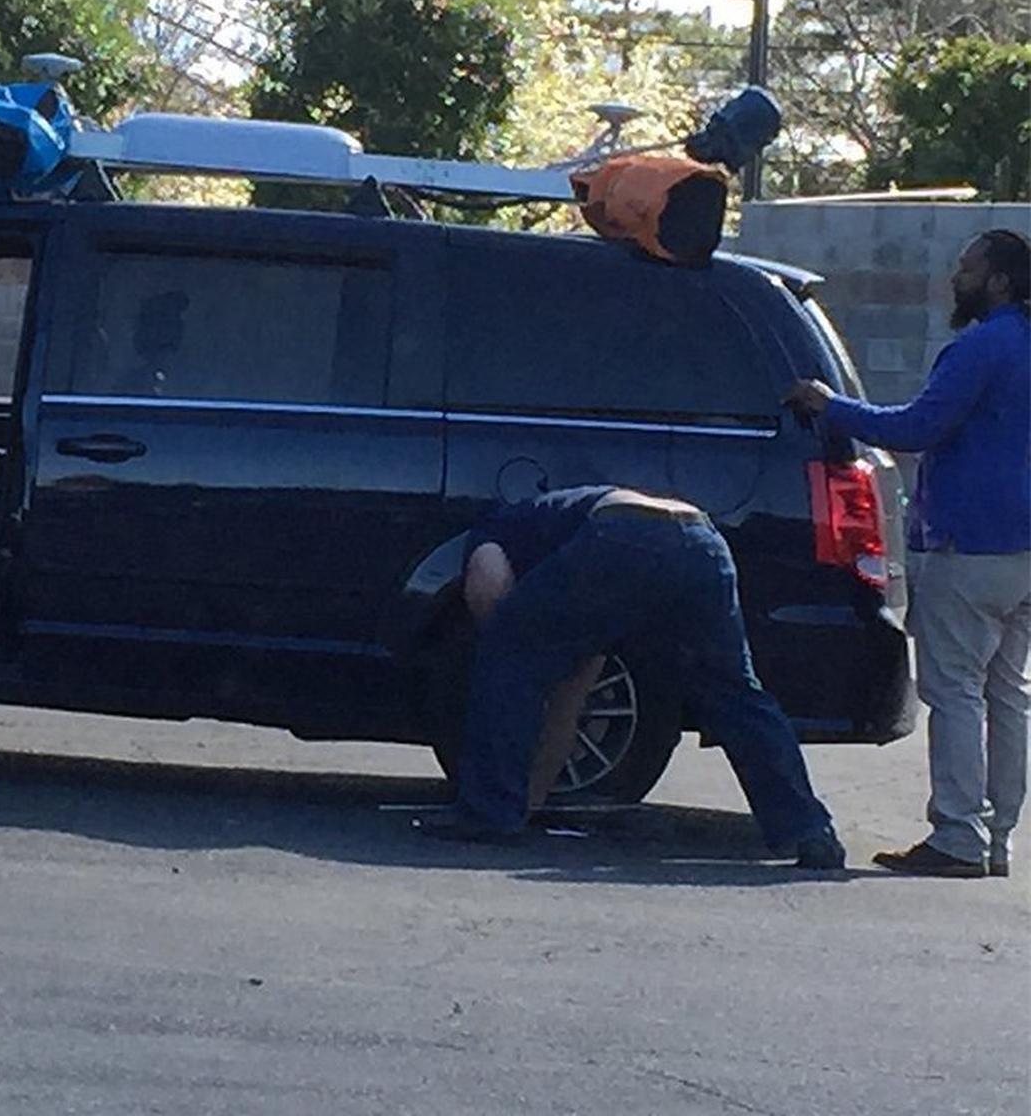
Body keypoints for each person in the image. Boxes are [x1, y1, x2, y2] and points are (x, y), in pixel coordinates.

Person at [786, 228, 1031, 879]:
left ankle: (957, 834)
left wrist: (829, 405)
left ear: (1000, 280)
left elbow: (916, 428)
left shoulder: (980, 347)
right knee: (1009, 692)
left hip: (969, 543)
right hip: (1025, 548)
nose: (957, 276)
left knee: (955, 691)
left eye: (967, 267)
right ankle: (1000, 837)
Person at [437, 485, 847, 870]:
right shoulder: (563, 541)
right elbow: (570, 700)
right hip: (703, 543)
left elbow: (490, 589)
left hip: (623, 533)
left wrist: (505, 646)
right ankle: (808, 830)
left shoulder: (494, 531)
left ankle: (488, 816)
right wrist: (531, 799)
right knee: (736, 695)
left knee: (507, 656)